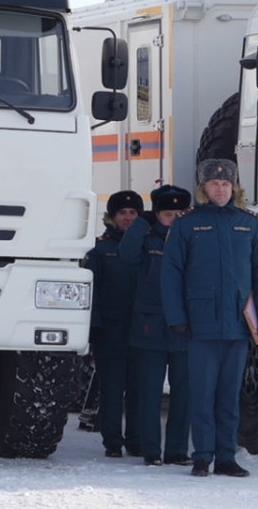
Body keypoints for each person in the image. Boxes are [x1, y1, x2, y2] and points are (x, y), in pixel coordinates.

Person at [160, 159, 258, 478]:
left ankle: (226, 456)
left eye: (226, 185)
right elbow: (171, 274)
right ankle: (201, 456)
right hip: (200, 324)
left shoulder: (249, 224)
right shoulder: (186, 224)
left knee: (229, 394)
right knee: (202, 393)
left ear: (234, 188)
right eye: (214, 184)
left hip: (239, 326)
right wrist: (177, 317)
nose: (220, 189)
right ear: (203, 189)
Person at [118, 184, 192, 467]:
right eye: (166, 214)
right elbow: (127, 255)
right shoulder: (147, 239)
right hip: (150, 325)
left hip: (183, 326)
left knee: (183, 393)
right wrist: (140, 224)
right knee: (149, 392)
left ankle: (176, 450)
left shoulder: (191, 240)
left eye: (179, 213)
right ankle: (151, 450)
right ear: (156, 214)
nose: (173, 219)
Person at [84, 189, 144, 457]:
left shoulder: (146, 245)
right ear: (112, 217)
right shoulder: (100, 249)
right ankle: (112, 441)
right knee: (111, 390)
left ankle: (136, 439)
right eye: (123, 213)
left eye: (133, 213)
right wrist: (93, 326)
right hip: (110, 330)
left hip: (140, 331)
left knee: (138, 390)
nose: (128, 218)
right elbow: (92, 291)